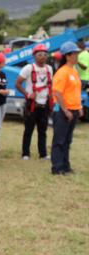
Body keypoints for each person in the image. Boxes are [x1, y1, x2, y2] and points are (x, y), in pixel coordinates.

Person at [15, 44, 53, 160]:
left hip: (44, 104)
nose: (42, 57)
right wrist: (27, 94)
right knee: (29, 130)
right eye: (39, 54)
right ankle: (25, 153)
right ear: (34, 56)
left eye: (45, 55)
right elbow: (17, 83)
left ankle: (43, 154)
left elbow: (50, 85)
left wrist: (51, 99)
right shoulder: (28, 68)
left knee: (43, 131)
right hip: (32, 105)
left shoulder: (49, 69)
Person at [51, 41, 83, 175]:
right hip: (63, 111)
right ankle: (57, 167)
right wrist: (65, 110)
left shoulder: (74, 72)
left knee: (67, 140)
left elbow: (75, 91)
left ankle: (65, 166)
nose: (77, 56)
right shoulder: (62, 72)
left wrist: (79, 107)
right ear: (67, 56)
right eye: (75, 53)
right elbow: (57, 92)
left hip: (73, 110)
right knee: (59, 139)